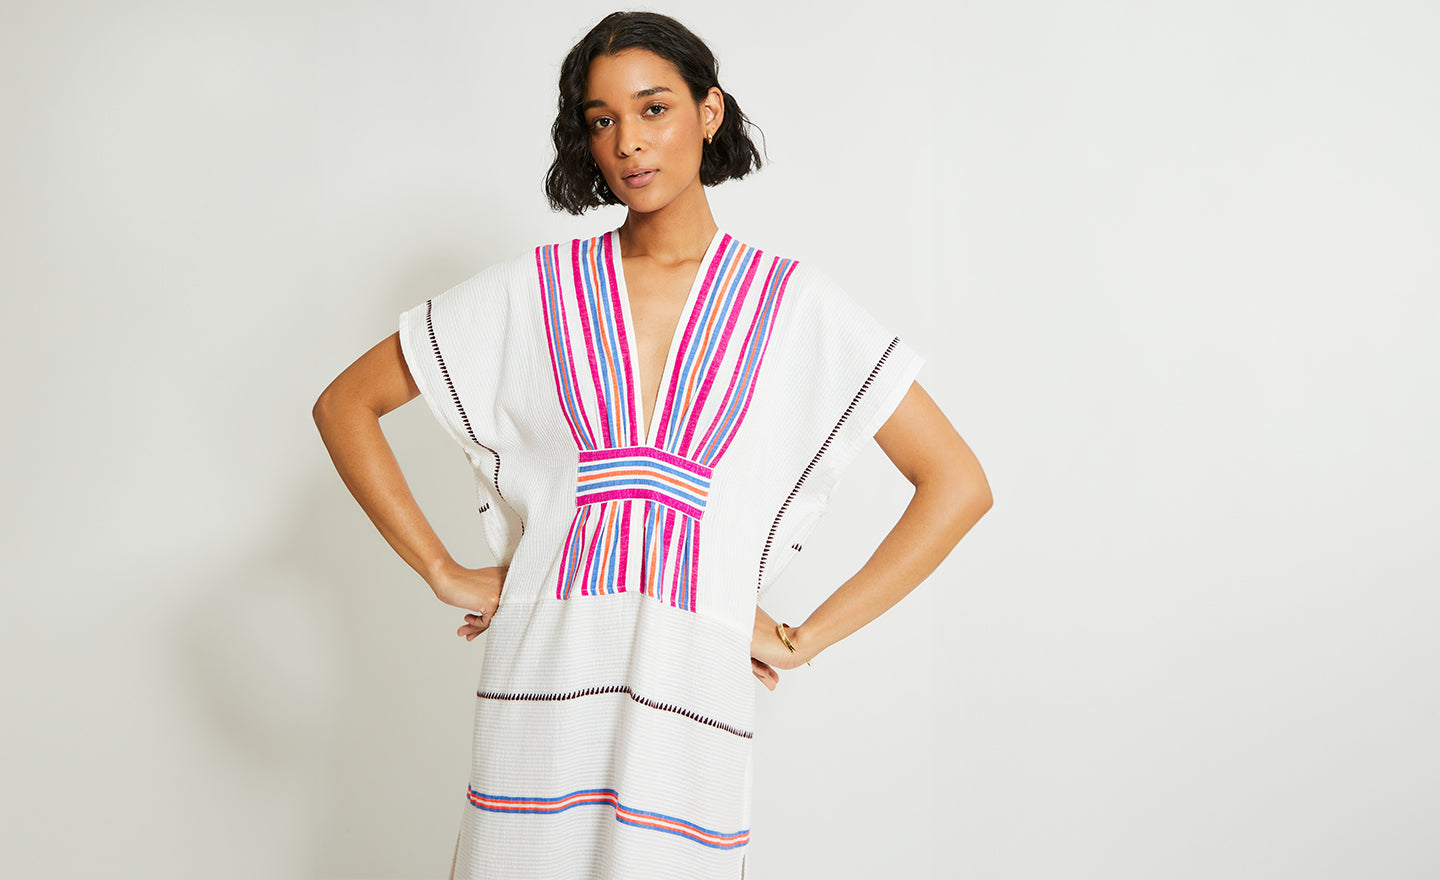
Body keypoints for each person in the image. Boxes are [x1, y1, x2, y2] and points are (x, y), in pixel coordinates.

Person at [312, 10, 991, 880]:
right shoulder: (534, 293)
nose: (629, 142)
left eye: (654, 109)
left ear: (710, 112)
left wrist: (803, 635)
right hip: (542, 685)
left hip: (690, 695)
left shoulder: (793, 307)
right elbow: (346, 405)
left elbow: (956, 482)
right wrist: (441, 569)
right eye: (603, 121)